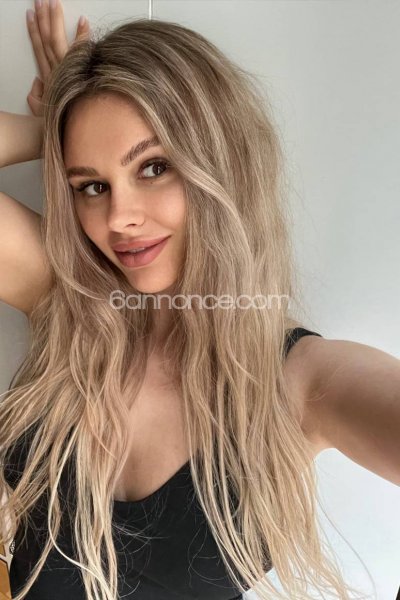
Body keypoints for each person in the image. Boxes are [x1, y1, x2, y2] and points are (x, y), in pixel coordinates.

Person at [0, 1, 399, 599]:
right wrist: (59, 125)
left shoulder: (303, 381)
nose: (120, 217)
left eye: (153, 167)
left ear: (220, 158)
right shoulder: (67, 305)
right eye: (92, 185)